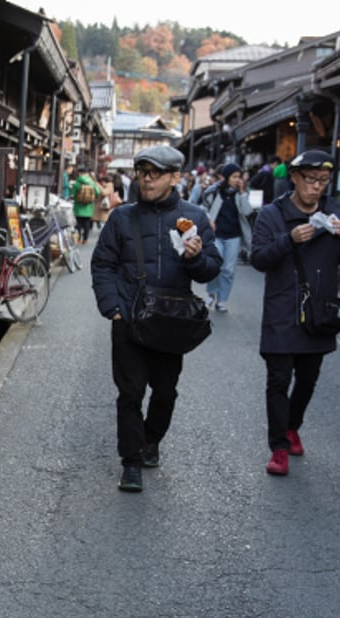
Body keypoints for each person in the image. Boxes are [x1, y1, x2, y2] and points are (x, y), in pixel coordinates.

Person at [91, 145, 222, 492]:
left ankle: (151, 441)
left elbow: (212, 269)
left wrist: (195, 259)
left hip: (171, 321)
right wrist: (113, 309)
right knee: (130, 393)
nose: (147, 179)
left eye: (156, 173)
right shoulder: (122, 217)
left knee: (165, 392)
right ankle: (131, 462)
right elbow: (102, 264)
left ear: (175, 177)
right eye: (142, 172)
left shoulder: (193, 216)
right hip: (129, 319)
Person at [250, 150, 340, 476]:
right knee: (278, 380)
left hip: (319, 312)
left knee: (308, 379)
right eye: (310, 179)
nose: (316, 187)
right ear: (294, 178)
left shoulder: (335, 212)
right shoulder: (272, 214)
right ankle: (279, 448)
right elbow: (258, 259)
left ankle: (292, 426)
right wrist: (289, 239)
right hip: (282, 310)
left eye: (323, 181)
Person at [200, 162, 254, 312]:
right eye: (234, 176)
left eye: (239, 176)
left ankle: (222, 300)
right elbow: (203, 208)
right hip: (216, 234)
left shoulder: (242, 193)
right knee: (216, 265)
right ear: (226, 177)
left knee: (228, 270)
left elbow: (247, 212)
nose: (237, 179)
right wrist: (209, 219)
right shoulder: (214, 192)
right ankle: (211, 293)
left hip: (234, 236)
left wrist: (242, 192)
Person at [71, 166, 101, 244]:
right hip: (89, 207)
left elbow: (73, 193)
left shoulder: (77, 182)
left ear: (79, 173)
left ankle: (78, 239)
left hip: (78, 206)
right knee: (86, 223)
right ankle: (85, 239)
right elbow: (98, 192)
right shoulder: (92, 182)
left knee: (78, 223)